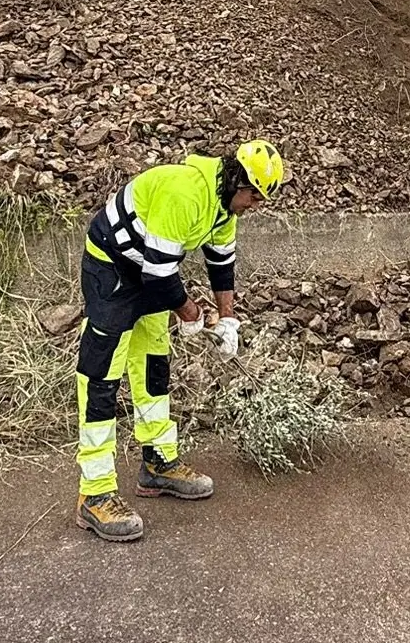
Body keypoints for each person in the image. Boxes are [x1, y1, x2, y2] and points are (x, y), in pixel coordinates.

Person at [74, 139, 285, 542]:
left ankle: (157, 464)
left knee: (154, 367)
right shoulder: (183, 191)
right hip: (113, 269)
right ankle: (95, 492)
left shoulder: (223, 206)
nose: (255, 204)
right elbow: (160, 275)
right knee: (101, 377)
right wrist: (191, 315)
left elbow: (222, 264)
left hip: (150, 270)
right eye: (254, 194)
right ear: (236, 179)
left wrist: (228, 320)